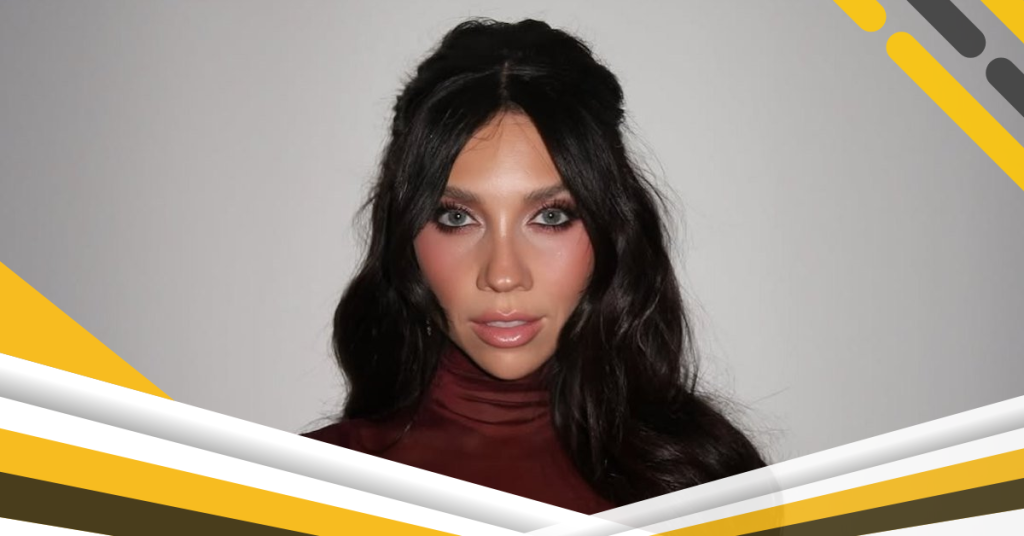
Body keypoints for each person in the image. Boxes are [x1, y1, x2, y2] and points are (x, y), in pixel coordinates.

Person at [304, 18, 765, 514]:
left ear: (611, 229)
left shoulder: (709, 486)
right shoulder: (305, 489)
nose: (503, 275)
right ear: (406, 236)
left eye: (550, 217)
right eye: (457, 217)